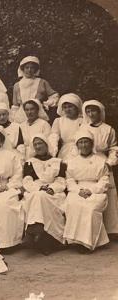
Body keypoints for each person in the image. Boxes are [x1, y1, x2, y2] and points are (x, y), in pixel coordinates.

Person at [63, 130, 110, 252]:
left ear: (91, 144)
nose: (84, 145)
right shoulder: (72, 161)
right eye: (81, 142)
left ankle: (87, 242)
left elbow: (104, 180)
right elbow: (70, 180)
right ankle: (74, 240)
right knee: (73, 204)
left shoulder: (100, 161)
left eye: (86, 142)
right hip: (77, 190)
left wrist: (91, 190)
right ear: (77, 145)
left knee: (90, 208)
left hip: (96, 191)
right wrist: (79, 190)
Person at [22, 134, 67, 255]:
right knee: (38, 196)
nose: (38, 146)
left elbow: (62, 181)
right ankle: (44, 240)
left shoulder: (58, 162)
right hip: (35, 190)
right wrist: (38, 187)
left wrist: (52, 188)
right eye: (35, 144)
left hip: (54, 191)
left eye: (40, 143)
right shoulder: (29, 163)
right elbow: (27, 181)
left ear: (47, 145)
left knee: (41, 198)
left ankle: (34, 231)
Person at [81, 100, 118, 235]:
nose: (91, 114)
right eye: (88, 111)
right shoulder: (83, 128)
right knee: (91, 192)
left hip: (103, 162)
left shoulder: (108, 129)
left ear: (100, 112)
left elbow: (113, 147)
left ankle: (111, 230)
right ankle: (93, 230)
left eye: (94, 110)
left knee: (108, 192)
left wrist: (110, 161)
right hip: (87, 161)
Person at [12, 56, 59, 123]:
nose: (29, 70)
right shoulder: (17, 85)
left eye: (32, 67)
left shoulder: (42, 82)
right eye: (27, 67)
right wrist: (14, 118)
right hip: (21, 115)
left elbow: (54, 96)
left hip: (39, 114)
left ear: (36, 69)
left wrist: (46, 104)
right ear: (23, 69)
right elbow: (15, 105)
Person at [49, 93, 83, 161]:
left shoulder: (83, 120)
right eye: (65, 107)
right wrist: (52, 152)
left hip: (82, 149)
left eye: (70, 106)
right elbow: (53, 137)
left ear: (76, 107)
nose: (67, 109)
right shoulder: (59, 121)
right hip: (65, 152)